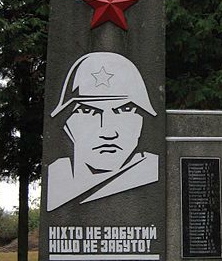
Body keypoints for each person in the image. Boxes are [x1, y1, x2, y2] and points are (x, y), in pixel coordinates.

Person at [47, 52, 159, 211]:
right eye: (88, 111)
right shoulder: (57, 176)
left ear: (142, 120)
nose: (108, 132)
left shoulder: (152, 170)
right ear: (66, 124)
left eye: (125, 109)